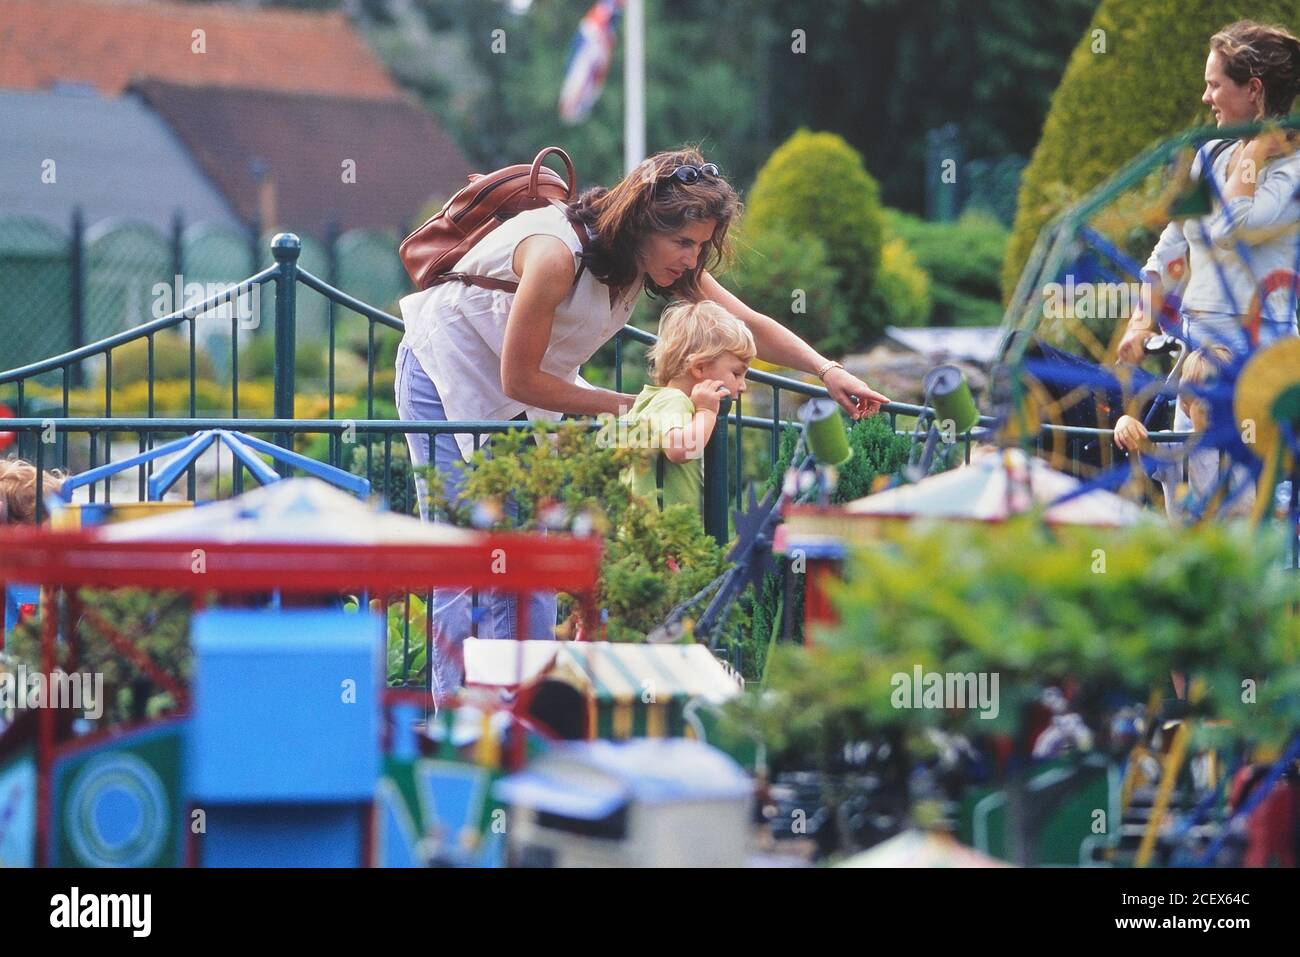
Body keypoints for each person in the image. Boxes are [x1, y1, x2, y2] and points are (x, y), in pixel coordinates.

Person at [396, 147, 891, 698]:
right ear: (642, 224)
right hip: (445, 372)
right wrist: (637, 407)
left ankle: (521, 715)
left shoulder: (646, 263)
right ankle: (464, 725)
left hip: (521, 384)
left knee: (523, 556)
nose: (691, 258)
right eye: (683, 242)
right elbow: (521, 380)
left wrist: (827, 370)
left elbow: (744, 321)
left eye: (701, 245)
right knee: (469, 553)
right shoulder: (555, 254)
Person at [1117, 20, 1300, 363]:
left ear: (1253, 90)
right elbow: (1172, 246)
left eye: (1214, 85)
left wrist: (1256, 150)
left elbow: (1229, 230)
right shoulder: (1212, 156)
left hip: (1261, 363)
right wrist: (1140, 323)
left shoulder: (1295, 171)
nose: (1205, 98)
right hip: (1196, 357)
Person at [618, 300, 755, 512]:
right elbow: (680, 449)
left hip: (660, 531)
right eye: (736, 373)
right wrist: (707, 412)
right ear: (699, 368)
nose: (743, 386)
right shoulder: (672, 400)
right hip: (662, 535)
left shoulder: (658, 401)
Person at [1113, 344, 1255, 521]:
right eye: (1203, 405)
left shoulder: (1247, 444)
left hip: (1239, 545)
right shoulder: (1174, 446)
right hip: (1188, 543)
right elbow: (1141, 446)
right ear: (1186, 405)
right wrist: (1125, 423)